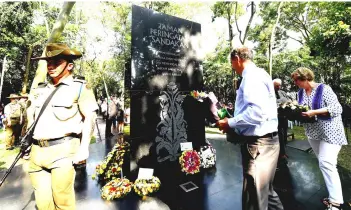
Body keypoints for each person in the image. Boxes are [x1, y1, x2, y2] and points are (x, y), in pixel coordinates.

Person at [27, 43, 98, 210]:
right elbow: (32, 117)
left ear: (70, 65)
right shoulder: (40, 89)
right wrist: (27, 140)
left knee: (63, 201)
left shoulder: (79, 87)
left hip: (63, 152)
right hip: (37, 152)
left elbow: (90, 117)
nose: (50, 66)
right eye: (48, 62)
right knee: (43, 204)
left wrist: (84, 148)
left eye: (56, 62)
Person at [217, 46, 283, 210]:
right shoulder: (262, 74)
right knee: (267, 192)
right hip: (269, 142)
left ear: (237, 59)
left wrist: (229, 123)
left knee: (255, 195)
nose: (233, 67)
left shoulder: (251, 77)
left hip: (258, 145)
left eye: (232, 62)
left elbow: (256, 113)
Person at [291, 67, 347, 210]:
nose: (295, 83)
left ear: (305, 78)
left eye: (296, 80)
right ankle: (333, 195)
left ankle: (336, 202)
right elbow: (302, 109)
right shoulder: (300, 92)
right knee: (325, 165)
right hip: (313, 133)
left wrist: (314, 112)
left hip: (330, 132)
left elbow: (337, 108)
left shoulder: (324, 89)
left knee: (326, 163)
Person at [273, 78, 291, 165]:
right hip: (276, 118)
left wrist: (285, 101)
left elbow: (289, 99)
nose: (278, 87)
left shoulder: (282, 92)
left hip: (284, 117)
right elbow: (273, 102)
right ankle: (280, 154)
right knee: (279, 136)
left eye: (279, 85)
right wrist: (282, 101)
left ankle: (284, 152)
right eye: (277, 86)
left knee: (284, 135)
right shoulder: (270, 93)